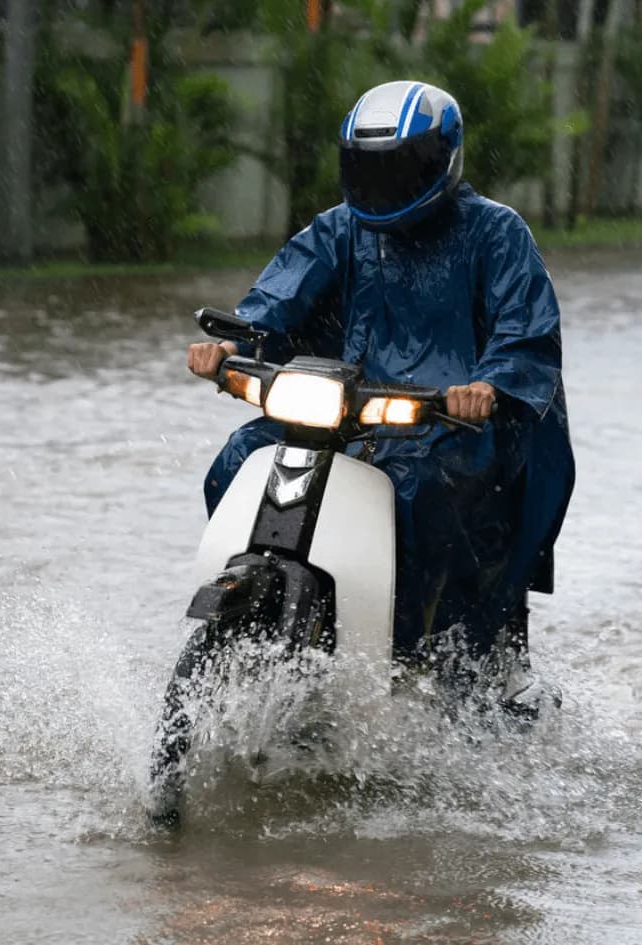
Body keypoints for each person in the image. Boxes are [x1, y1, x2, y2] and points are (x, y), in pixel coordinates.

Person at [185, 80, 574, 705]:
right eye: (370, 168)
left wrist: (488, 386)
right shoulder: (339, 230)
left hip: (448, 425)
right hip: (342, 412)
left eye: (399, 168)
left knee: (415, 491)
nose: (383, 183)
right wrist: (233, 347)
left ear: (442, 160)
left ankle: (416, 644)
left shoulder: (496, 233)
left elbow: (523, 331)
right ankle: (260, 595)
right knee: (239, 460)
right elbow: (276, 300)